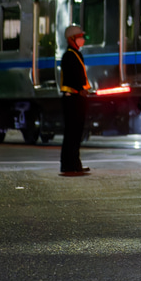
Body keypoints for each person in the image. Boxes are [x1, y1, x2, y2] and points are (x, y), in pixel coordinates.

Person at [59, 25, 92, 176]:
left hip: (77, 98)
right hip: (72, 98)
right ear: (72, 39)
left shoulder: (76, 54)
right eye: (79, 36)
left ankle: (75, 164)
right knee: (72, 133)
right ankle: (68, 165)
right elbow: (72, 78)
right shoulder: (69, 56)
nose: (82, 39)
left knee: (76, 133)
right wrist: (80, 89)